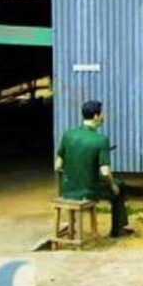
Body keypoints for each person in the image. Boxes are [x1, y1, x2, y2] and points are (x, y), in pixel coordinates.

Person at [54, 100, 132, 238]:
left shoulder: (68, 135)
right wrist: (113, 185)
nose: (104, 116)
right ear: (96, 116)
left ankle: (72, 226)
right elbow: (105, 172)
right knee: (120, 187)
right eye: (102, 114)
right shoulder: (101, 140)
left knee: (115, 185)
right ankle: (118, 230)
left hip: (67, 189)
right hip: (88, 190)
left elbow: (58, 165)